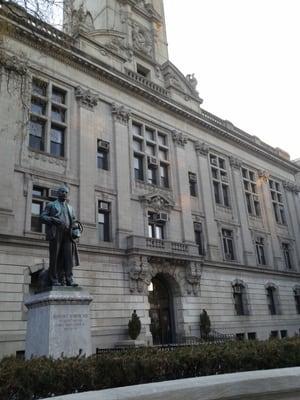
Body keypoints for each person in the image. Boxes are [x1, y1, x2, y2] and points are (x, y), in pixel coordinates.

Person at [40, 185, 79, 287]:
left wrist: (75, 228)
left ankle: (69, 279)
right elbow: (42, 217)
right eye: (62, 191)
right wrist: (53, 220)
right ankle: (54, 279)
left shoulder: (70, 208)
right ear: (58, 193)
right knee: (55, 258)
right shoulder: (51, 205)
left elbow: (74, 221)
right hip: (56, 233)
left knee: (68, 258)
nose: (64, 194)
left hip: (68, 235)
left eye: (66, 192)